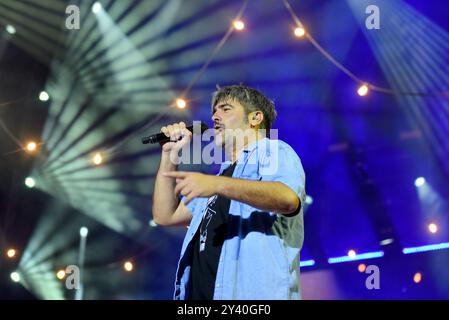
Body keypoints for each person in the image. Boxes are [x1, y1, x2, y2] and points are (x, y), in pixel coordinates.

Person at [152, 85, 306, 300]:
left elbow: (288, 199)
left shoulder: (273, 151)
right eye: (214, 111)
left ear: (255, 118)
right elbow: (165, 215)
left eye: (225, 109)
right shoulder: (219, 178)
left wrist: (218, 185)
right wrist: (169, 154)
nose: (215, 116)